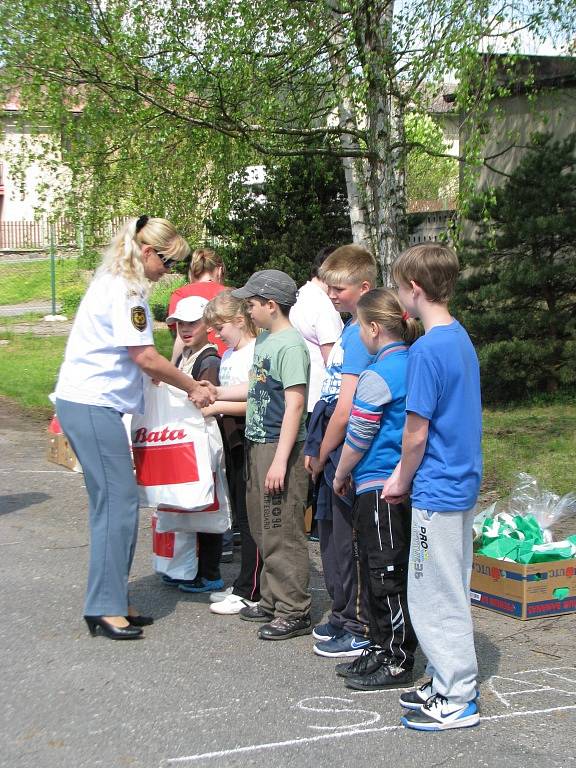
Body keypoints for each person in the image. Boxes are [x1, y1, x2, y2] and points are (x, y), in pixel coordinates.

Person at [54, 216, 214, 641]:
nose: (169, 271)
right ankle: (105, 606)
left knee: (113, 506)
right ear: (147, 254)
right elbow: (145, 357)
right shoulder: (128, 292)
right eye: (168, 262)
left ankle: (109, 599)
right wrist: (192, 386)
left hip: (89, 402)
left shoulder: (115, 282)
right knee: (118, 505)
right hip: (94, 404)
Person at [381, 243, 482, 731]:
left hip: (438, 489)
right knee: (450, 582)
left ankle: (458, 694)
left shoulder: (425, 350)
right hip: (461, 482)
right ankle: (447, 676)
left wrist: (399, 480)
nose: (399, 296)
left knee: (433, 593)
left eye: (399, 287)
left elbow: (415, 433)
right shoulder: (459, 337)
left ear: (414, 290)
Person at [215, 270, 312, 640]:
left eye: (252, 304)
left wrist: (279, 460)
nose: (249, 310)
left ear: (271, 305)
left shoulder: (290, 346)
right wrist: (218, 392)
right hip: (259, 444)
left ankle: (294, 609)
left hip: (278, 447)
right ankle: (272, 599)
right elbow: (255, 390)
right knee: (261, 527)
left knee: (282, 530)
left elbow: (295, 404)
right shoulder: (268, 340)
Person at [332, 288, 420, 690]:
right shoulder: (414, 362)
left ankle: (398, 656)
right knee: (378, 569)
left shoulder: (377, 375)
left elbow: (360, 434)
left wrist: (340, 472)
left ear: (372, 328)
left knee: (384, 571)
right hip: (399, 481)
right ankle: (379, 643)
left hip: (380, 484)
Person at [303, 245, 376, 659]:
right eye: (327, 287)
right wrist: (316, 446)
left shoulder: (366, 331)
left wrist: (325, 448)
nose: (330, 294)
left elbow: (347, 408)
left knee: (350, 539)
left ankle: (358, 622)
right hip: (329, 441)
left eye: (338, 288)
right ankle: (342, 611)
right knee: (330, 536)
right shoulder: (350, 328)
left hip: (348, 448)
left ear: (363, 287)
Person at [159, 295, 226, 595]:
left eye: (192, 323)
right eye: (180, 323)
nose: (185, 329)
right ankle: (187, 568)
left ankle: (210, 573)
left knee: (205, 506)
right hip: (186, 439)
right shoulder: (184, 354)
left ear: (207, 326)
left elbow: (206, 401)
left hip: (202, 439)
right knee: (187, 505)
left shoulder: (208, 359)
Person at [201, 290, 262, 615]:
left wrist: (215, 406)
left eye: (220, 327)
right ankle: (244, 581)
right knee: (241, 514)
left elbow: (255, 400)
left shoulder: (254, 351)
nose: (216, 334)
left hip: (246, 438)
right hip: (231, 439)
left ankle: (250, 588)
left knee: (250, 517)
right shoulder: (229, 353)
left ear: (239, 321)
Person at [290, 246, 343, 540]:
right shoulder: (323, 306)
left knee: (306, 461)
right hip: (320, 396)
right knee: (317, 463)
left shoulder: (301, 296)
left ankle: (307, 522)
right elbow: (332, 358)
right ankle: (315, 525)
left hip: (303, 393)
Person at [167, 247, 227, 358]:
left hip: (196, 365)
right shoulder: (231, 294)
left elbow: (181, 339)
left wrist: (173, 367)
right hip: (228, 364)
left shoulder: (181, 295)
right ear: (219, 270)